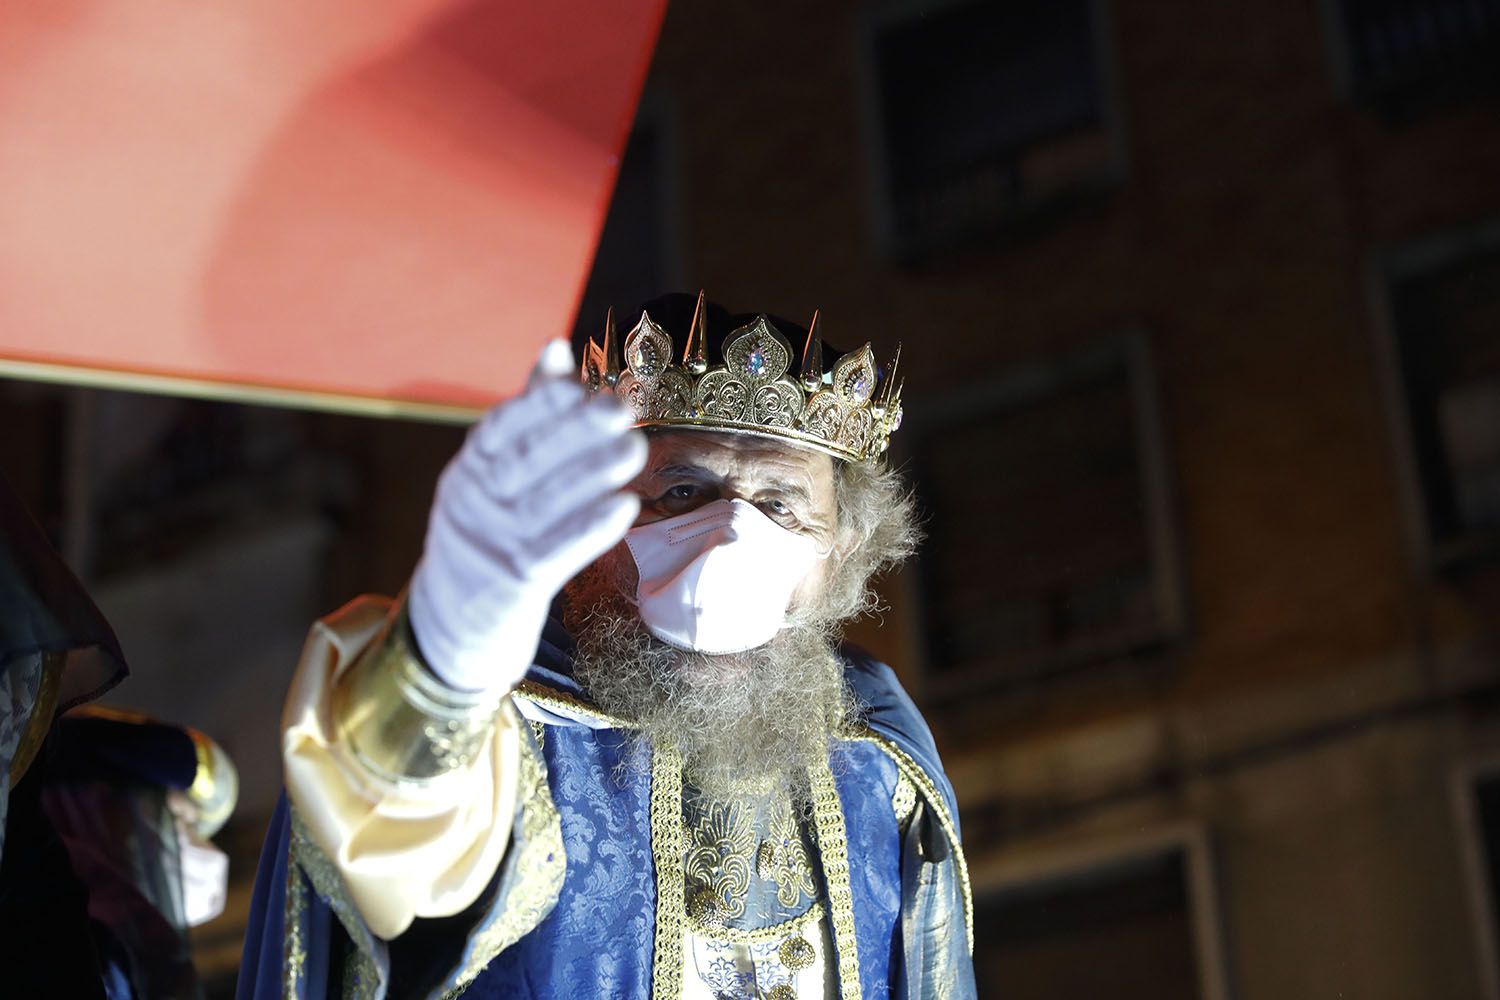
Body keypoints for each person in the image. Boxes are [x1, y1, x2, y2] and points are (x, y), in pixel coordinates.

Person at [239, 293, 975, 999]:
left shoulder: (883, 762)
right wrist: (443, 664)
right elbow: (394, 843)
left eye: (779, 506)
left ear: (842, 551)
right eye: (683, 492)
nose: (726, 544)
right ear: (597, 514)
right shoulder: (508, 722)